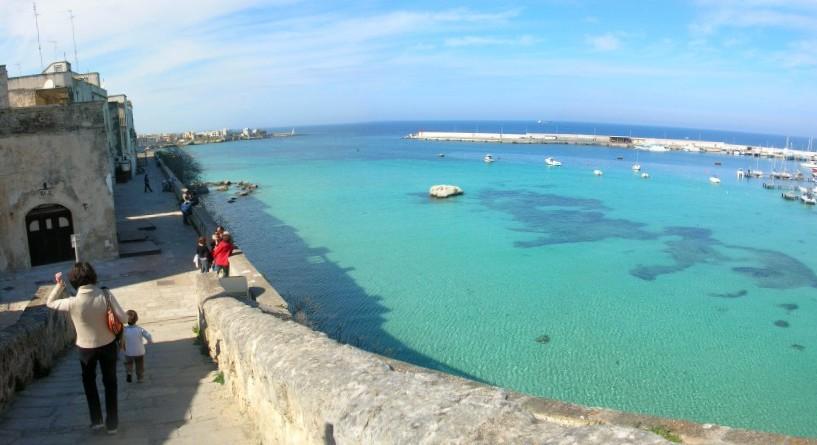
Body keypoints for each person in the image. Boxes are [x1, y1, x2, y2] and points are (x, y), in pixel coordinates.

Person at [46, 262, 126, 435]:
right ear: (93, 276)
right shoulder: (105, 294)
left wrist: (59, 286)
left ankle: (96, 420)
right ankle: (112, 424)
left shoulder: (72, 302)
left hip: (85, 348)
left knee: (89, 383)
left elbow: (50, 302)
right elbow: (123, 318)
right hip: (108, 344)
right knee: (110, 383)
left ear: (74, 281)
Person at [122, 310, 153, 383]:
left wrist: (121, 346)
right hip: (139, 351)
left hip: (128, 352)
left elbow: (121, 339)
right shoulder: (140, 329)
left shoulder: (124, 330)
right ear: (136, 319)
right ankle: (140, 378)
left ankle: (129, 372)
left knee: (128, 363)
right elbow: (148, 335)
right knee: (139, 364)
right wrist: (149, 341)